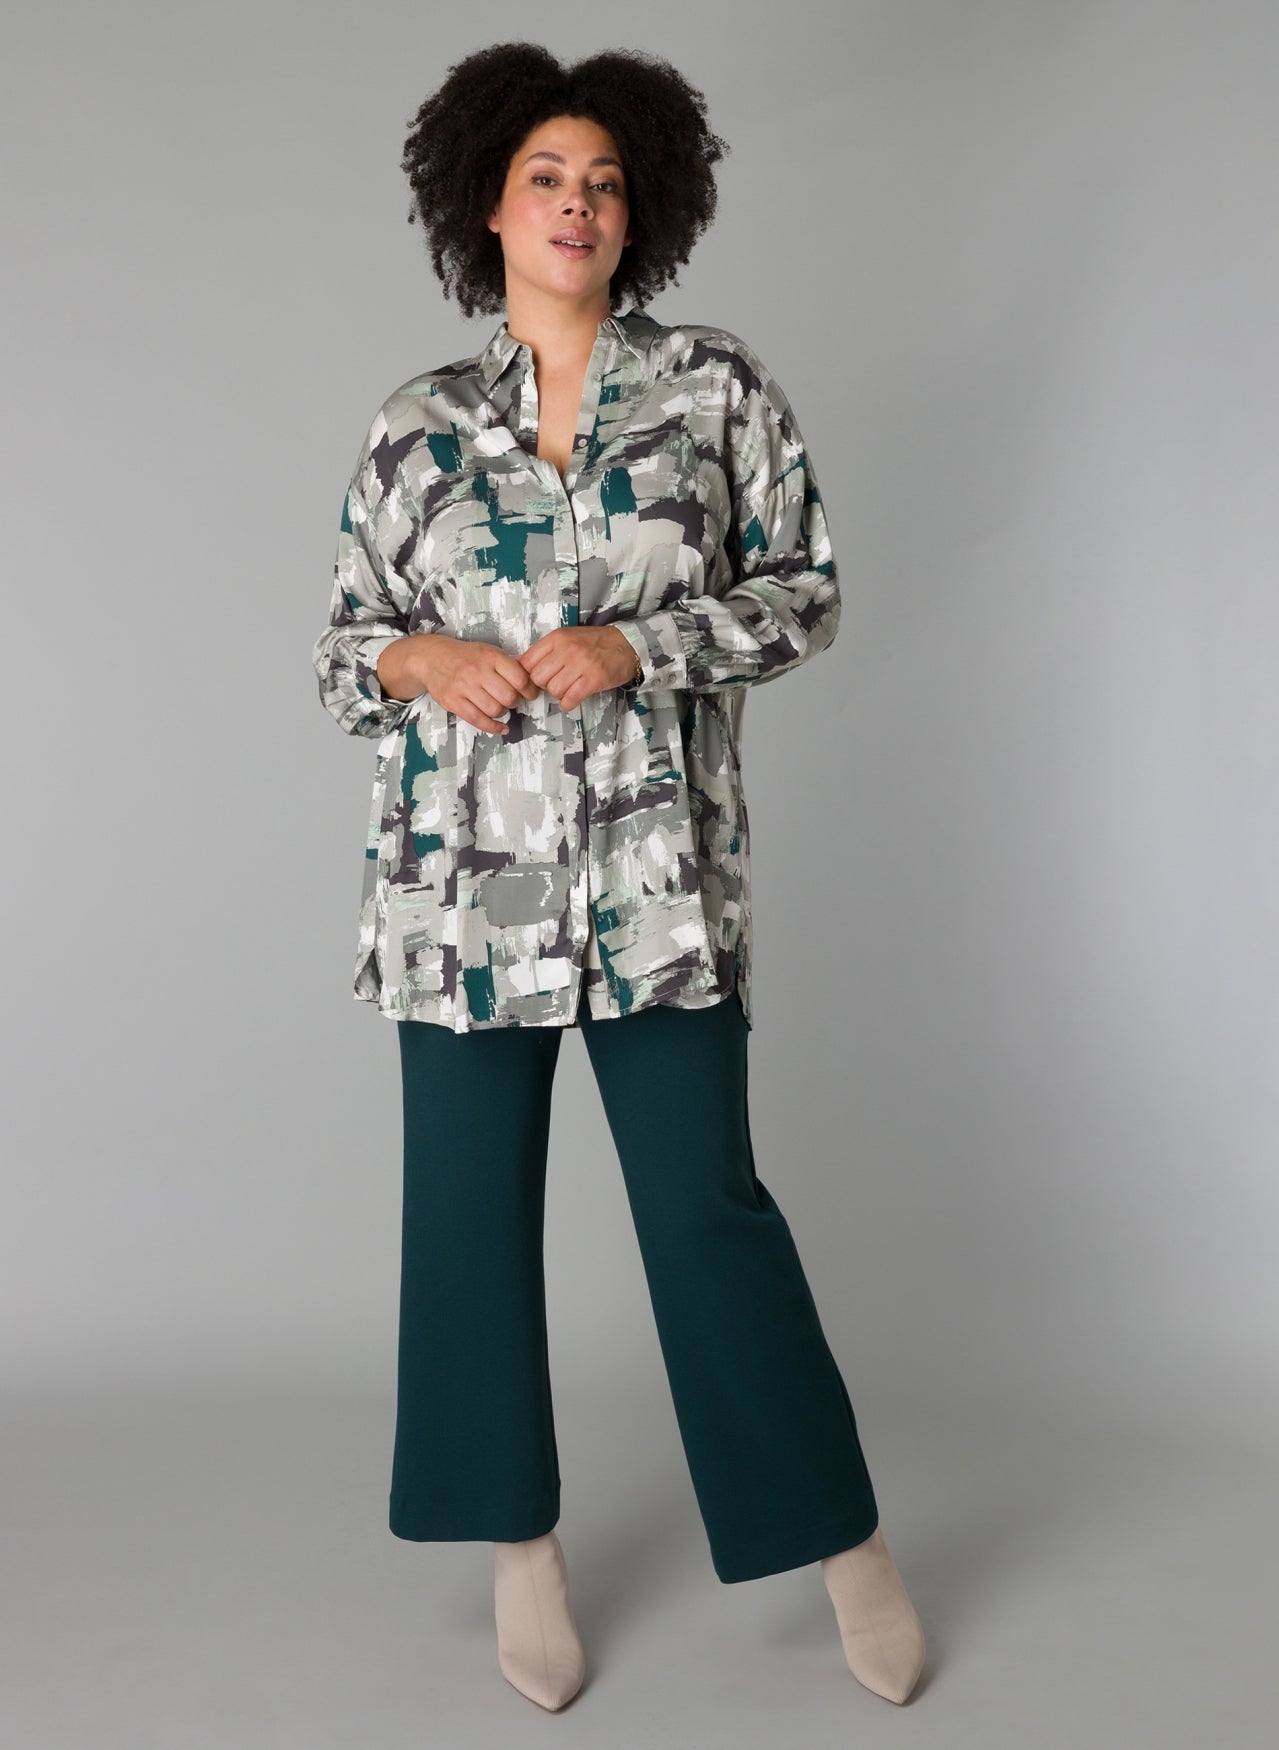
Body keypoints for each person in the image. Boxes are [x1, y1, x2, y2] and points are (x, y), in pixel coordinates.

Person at [311, 41, 925, 1714]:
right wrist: (423, 657)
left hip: (658, 890)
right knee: (466, 1222)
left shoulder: (714, 392)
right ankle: (519, 1543)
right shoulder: (417, 428)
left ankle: (842, 1535)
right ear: (487, 207)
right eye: (545, 180)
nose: (575, 205)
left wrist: (643, 642)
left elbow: (806, 592)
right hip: (462, 897)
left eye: (602, 183)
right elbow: (342, 653)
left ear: (639, 213)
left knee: (706, 1210)